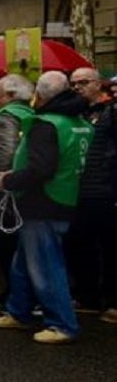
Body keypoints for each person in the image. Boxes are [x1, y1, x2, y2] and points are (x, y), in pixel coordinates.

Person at [0, 71, 93, 344]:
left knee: (45, 265)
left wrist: (8, 179)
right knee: (23, 261)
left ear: (41, 96)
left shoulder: (47, 124)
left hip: (44, 201)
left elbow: (41, 168)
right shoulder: (79, 122)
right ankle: (18, 310)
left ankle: (62, 323)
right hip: (67, 197)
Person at [0, 73, 35, 309]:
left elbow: (6, 153)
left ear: (12, 96)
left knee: (5, 246)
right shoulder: (32, 114)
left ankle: (15, 294)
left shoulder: (7, 116)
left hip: (5, 190)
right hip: (27, 187)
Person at [66, 66, 114, 320]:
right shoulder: (76, 113)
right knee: (79, 245)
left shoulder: (110, 111)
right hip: (79, 189)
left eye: (83, 82)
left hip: (106, 189)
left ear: (98, 84)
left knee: (110, 248)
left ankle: (112, 299)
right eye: (73, 83)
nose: (77, 87)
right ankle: (87, 296)